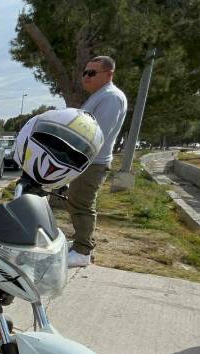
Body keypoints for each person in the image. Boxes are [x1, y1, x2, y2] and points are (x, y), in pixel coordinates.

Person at [66, 55, 128, 267]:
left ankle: (82, 251)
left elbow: (96, 133)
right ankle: (80, 245)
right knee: (76, 200)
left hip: (93, 161)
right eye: (84, 72)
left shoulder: (111, 97)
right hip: (86, 161)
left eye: (92, 73)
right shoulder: (99, 95)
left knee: (82, 203)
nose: (86, 77)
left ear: (109, 74)